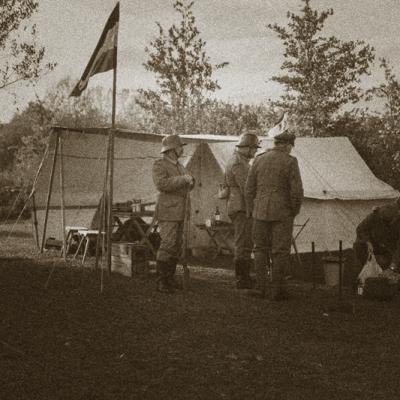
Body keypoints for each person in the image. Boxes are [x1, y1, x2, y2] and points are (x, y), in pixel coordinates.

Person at [245, 131, 303, 300]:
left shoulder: (259, 159)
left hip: (259, 211)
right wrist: (294, 210)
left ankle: (260, 288)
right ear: (286, 145)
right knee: (280, 251)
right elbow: (297, 191)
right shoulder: (290, 161)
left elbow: (249, 189)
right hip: (282, 212)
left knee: (260, 249)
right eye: (291, 146)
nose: (291, 150)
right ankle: (276, 290)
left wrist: (251, 210)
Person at [152, 134, 195, 293]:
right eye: (179, 147)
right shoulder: (159, 165)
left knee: (176, 246)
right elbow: (161, 184)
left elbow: (188, 182)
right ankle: (162, 281)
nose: (182, 149)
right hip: (168, 210)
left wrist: (191, 181)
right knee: (168, 244)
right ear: (171, 149)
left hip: (181, 210)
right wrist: (183, 180)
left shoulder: (180, 166)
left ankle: (169, 278)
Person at [225, 130, 260, 289]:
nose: (255, 152)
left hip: (239, 205)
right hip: (241, 207)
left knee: (245, 241)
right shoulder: (239, 163)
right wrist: (251, 209)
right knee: (243, 242)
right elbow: (247, 188)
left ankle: (244, 276)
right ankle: (242, 278)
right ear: (247, 148)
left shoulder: (239, 160)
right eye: (254, 148)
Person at [353, 199, 400, 271]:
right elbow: (361, 229)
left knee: (388, 266)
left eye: (389, 221)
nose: (386, 224)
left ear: (395, 218)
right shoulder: (374, 216)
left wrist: (394, 263)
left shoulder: (397, 223)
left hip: (389, 250)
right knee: (359, 246)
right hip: (370, 246)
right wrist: (368, 242)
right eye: (384, 221)